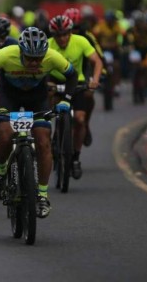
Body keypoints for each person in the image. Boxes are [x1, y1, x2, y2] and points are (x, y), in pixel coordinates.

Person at [0, 27, 78, 218]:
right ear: (20, 51)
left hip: (37, 97)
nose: (35, 63)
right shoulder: (5, 55)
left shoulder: (52, 57)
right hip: (9, 96)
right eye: (30, 58)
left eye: (39, 58)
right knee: (5, 133)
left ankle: (42, 195)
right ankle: (0, 170)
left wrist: (66, 100)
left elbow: (72, 75)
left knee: (44, 142)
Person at [48, 15, 102, 179]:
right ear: (53, 35)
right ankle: (54, 134)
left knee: (79, 119)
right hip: (54, 82)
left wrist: (95, 80)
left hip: (76, 83)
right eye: (58, 35)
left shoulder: (81, 41)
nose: (62, 38)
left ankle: (76, 157)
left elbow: (97, 62)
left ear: (71, 32)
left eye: (65, 34)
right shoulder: (48, 45)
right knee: (50, 108)